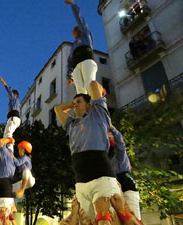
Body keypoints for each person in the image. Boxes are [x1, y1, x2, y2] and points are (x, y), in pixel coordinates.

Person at [54, 81, 121, 225]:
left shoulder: (98, 115)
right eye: (74, 102)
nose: (75, 104)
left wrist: (84, 85)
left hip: (101, 176)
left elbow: (93, 84)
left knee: (105, 221)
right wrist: (73, 104)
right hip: (81, 182)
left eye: (79, 101)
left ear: (89, 105)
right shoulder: (71, 124)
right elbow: (58, 109)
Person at [64, 0, 98, 95]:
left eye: (75, 30)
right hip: (76, 68)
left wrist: (72, 4)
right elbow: (69, 62)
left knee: (89, 84)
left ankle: (97, 105)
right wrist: (69, 77)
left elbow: (80, 19)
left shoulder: (85, 36)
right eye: (73, 32)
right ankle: (84, 109)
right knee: (80, 92)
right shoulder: (73, 46)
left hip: (87, 61)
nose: (74, 33)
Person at [109, 126, 141, 220]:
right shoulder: (103, 156)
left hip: (126, 184)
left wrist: (112, 128)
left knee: (133, 216)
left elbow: (120, 143)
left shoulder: (120, 155)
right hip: (113, 183)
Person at [0, 75, 21, 152]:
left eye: (11, 94)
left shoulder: (14, 99)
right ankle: (8, 150)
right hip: (13, 118)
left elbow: (8, 89)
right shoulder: (14, 102)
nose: (9, 96)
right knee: (6, 135)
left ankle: (10, 150)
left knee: (8, 133)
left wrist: (2, 81)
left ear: (15, 95)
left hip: (13, 118)